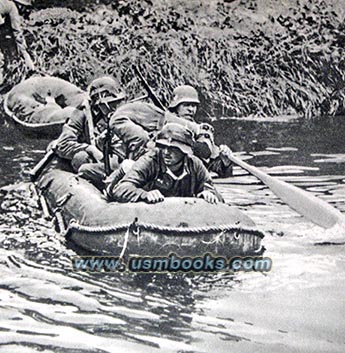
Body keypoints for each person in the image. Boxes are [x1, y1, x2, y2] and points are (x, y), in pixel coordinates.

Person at [107, 123, 222, 204]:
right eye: (163, 147)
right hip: (147, 212)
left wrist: (208, 194)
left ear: (184, 151)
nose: (166, 152)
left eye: (173, 149)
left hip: (178, 215)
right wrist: (145, 194)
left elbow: (212, 190)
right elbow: (120, 189)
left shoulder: (194, 165)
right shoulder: (151, 160)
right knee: (127, 166)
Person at [54, 76, 126, 189]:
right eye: (112, 103)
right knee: (81, 157)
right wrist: (90, 149)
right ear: (99, 102)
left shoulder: (116, 114)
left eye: (117, 102)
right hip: (91, 157)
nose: (116, 107)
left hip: (112, 156)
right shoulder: (81, 114)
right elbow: (63, 144)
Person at [167, 85, 234, 178]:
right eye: (186, 105)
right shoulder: (162, 127)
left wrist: (225, 162)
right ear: (176, 107)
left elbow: (221, 170)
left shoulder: (202, 131)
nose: (191, 109)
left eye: (193, 105)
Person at [0, 0, 35, 86]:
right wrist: (26, 56)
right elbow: (17, 32)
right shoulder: (13, 7)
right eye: (26, 9)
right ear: (21, 5)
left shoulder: (5, 3)